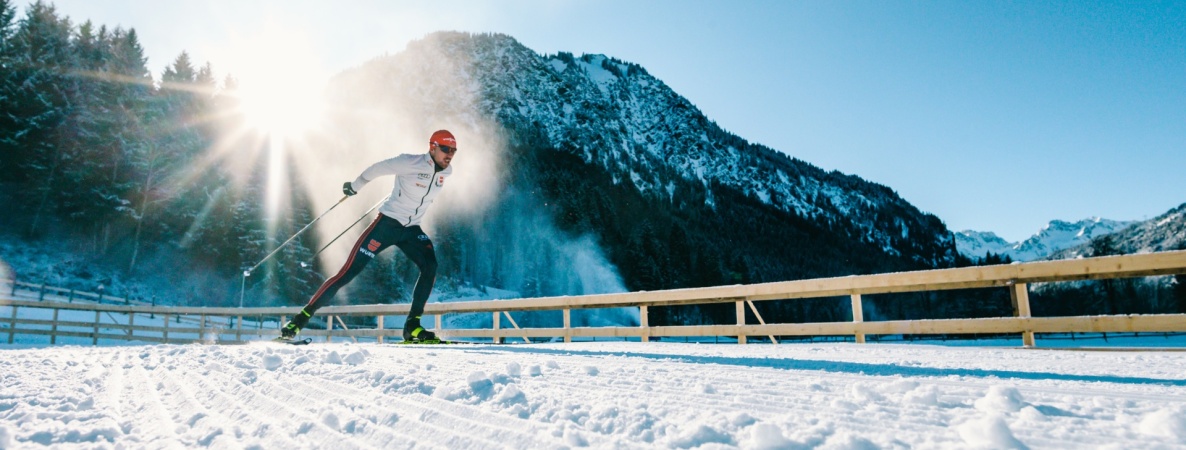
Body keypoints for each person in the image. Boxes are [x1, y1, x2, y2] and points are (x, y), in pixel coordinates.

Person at [280, 130, 458, 342]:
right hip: (387, 225)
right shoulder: (409, 162)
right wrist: (355, 187)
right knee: (347, 272)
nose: (449, 154)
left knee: (430, 266)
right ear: (432, 147)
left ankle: (412, 326)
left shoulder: (446, 172)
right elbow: (376, 169)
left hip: (412, 230)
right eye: (445, 149)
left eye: (453, 151)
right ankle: (299, 321)